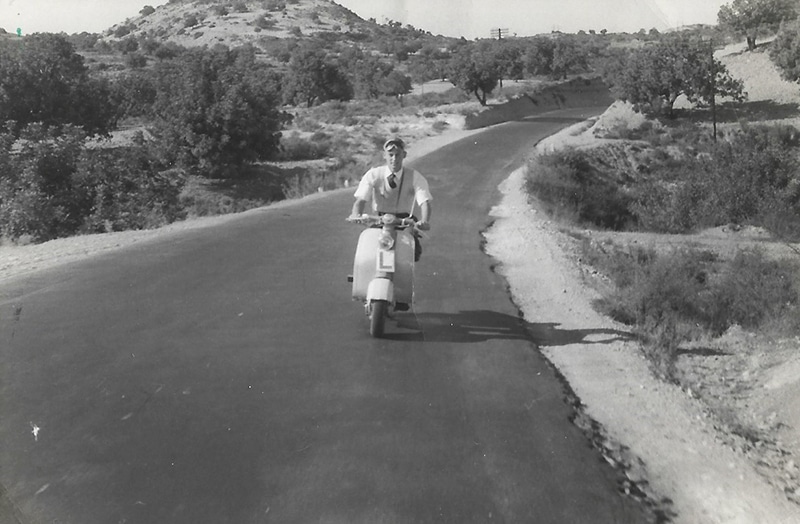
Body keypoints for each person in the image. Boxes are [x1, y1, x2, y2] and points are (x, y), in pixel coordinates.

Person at [348, 137, 433, 261]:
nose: (394, 159)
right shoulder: (374, 174)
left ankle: (405, 277)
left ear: (404, 155)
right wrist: (356, 215)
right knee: (367, 252)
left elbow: (424, 202)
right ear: (384, 155)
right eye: (390, 155)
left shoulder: (415, 176)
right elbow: (360, 200)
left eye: (397, 155)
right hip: (379, 221)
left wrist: (424, 221)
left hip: (404, 222)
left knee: (412, 253)